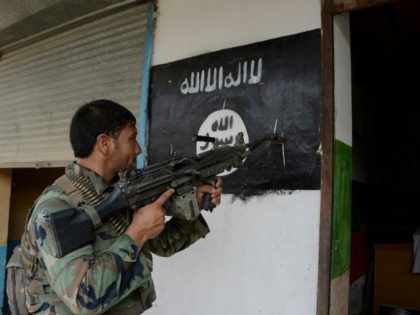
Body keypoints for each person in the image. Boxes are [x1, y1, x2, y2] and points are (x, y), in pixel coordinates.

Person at [21, 99, 223, 315]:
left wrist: (196, 203)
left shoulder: (119, 190)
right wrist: (136, 233)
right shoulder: (56, 207)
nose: (137, 149)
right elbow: (84, 298)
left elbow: (163, 244)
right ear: (105, 144)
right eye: (132, 138)